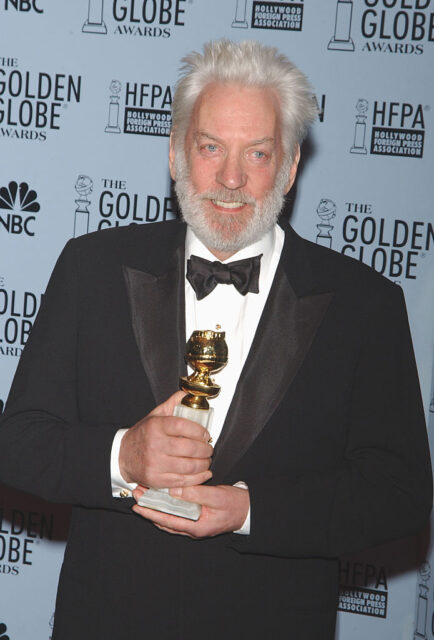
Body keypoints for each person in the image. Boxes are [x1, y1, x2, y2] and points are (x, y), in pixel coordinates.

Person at [0, 40, 431, 640]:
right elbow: (17, 443)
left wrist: (252, 511)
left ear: (289, 167)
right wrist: (122, 456)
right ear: (176, 154)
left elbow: (399, 493)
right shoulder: (90, 268)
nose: (231, 179)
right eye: (210, 148)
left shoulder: (366, 305)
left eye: (256, 153)